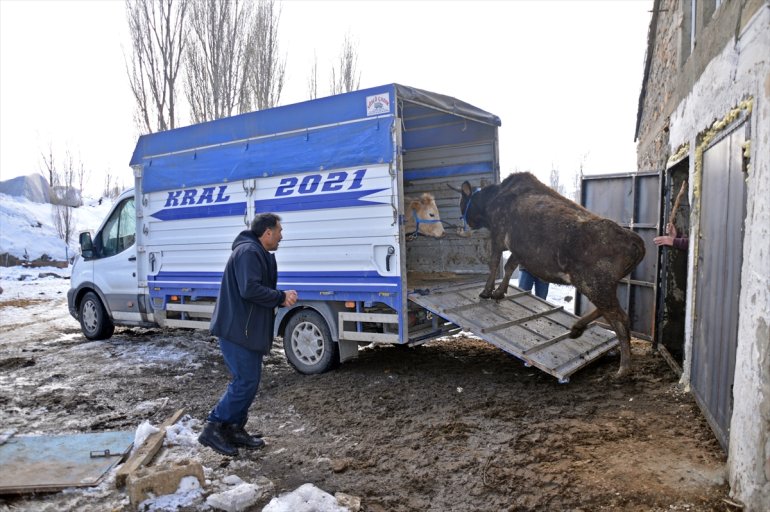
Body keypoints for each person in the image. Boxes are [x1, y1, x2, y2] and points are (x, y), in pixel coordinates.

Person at [198, 213, 298, 457]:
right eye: (279, 231)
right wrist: (280, 297)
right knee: (244, 381)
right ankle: (213, 427)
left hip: (246, 329)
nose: (281, 236)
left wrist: (279, 296)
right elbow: (249, 289)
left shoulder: (255, 252)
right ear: (267, 233)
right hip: (237, 330)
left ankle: (233, 428)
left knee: (249, 382)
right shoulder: (248, 253)